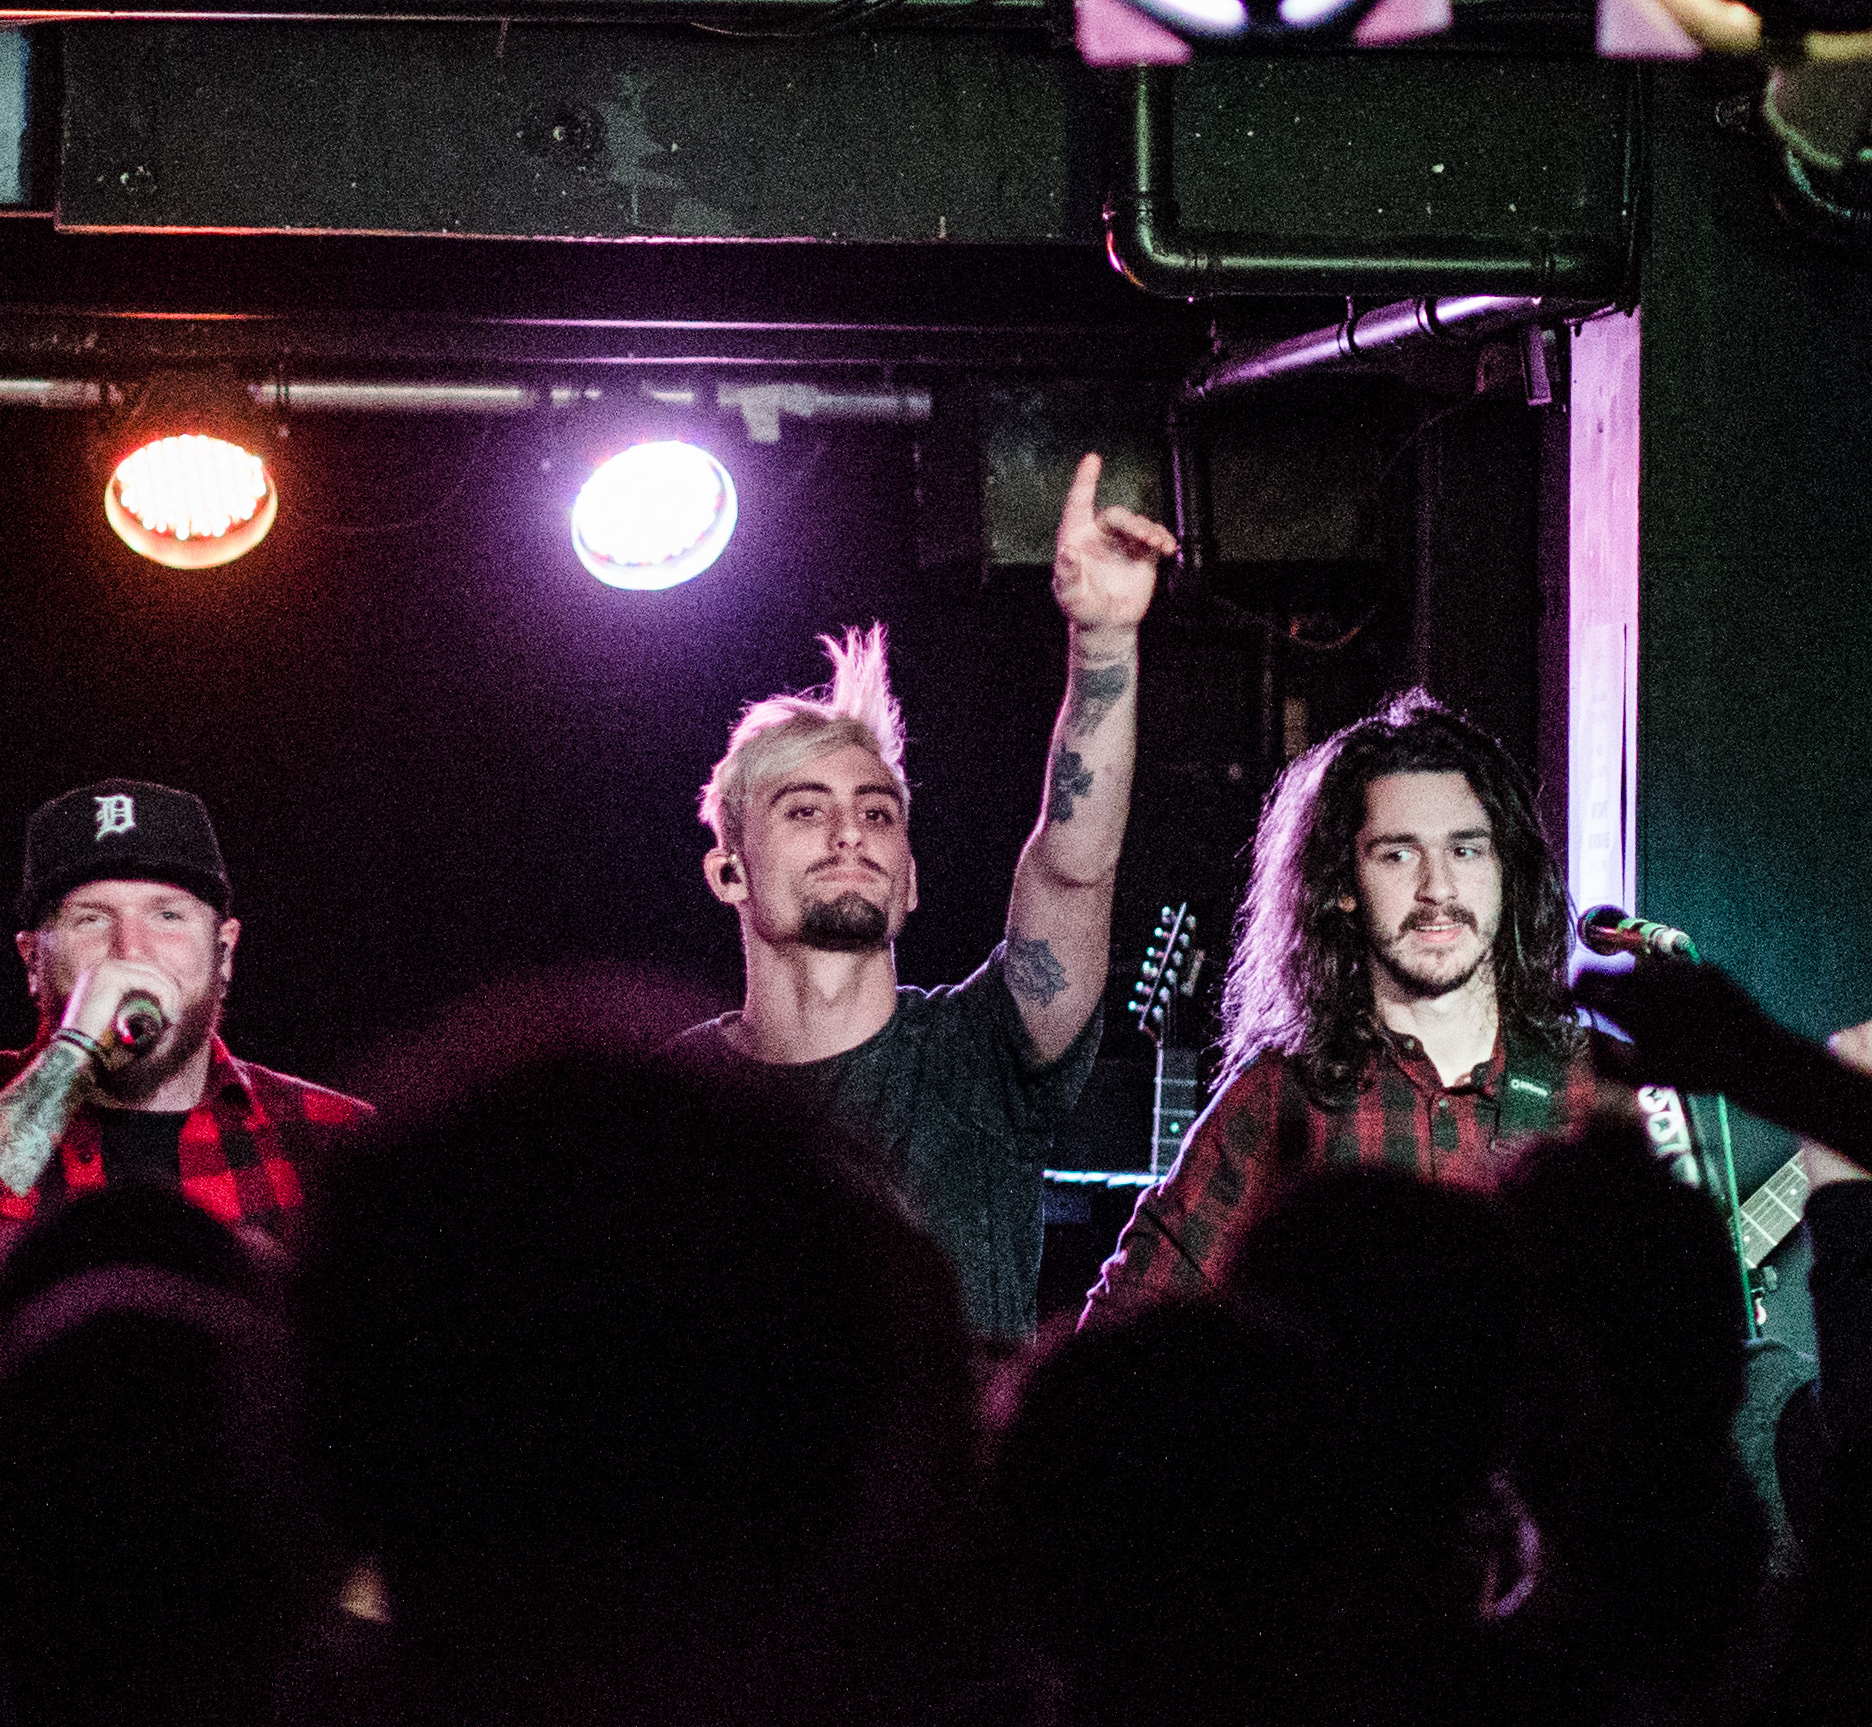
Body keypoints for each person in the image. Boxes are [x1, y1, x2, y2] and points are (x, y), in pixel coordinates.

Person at [675, 453, 1173, 1343]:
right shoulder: (669, 1102)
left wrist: (1102, 647)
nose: (849, 833)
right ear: (730, 872)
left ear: (909, 879)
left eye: (876, 811)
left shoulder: (978, 1054)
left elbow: (1074, 867)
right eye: (804, 810)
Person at [1088, 688, 1618, 1318]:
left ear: (1509, 871)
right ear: (1343, 886)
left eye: (1465, 850)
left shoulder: (1604, 1089)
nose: (1437, 888)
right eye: (1398, 855)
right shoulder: (1279, 1100)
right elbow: (1121, 1338)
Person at [0, 780, 370, 1347]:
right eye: (90, 919)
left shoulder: (333, 1137)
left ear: (225, 952)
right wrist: (73, 1056)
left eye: (168, 915)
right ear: (33, 961)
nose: (130, 951)